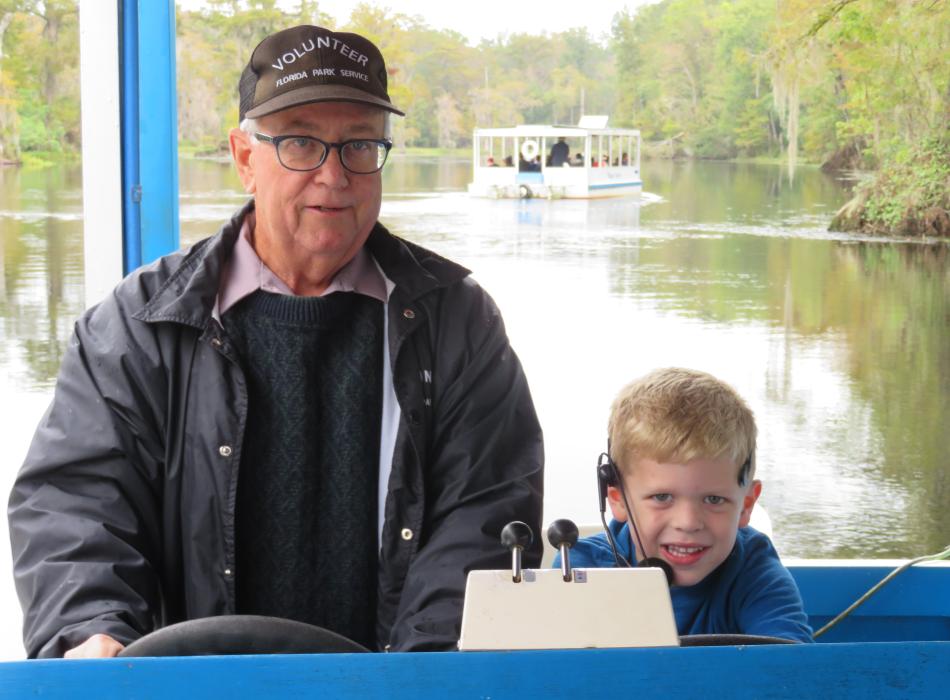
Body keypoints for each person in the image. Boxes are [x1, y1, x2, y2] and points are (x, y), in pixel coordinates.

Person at [8, 25, 543, 659]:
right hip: (183, 688)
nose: (333, 176)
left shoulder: (456, 320)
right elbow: (74, 502)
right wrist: (90, 627)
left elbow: (483, 515)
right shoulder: (137, 326)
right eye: (299, 143)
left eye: (359, 146)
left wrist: (419, 673)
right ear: (243, 158)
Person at [556, 368, 812, 642]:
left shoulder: (754, 571)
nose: (688, 522)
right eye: (662, 497)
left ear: (747, 504)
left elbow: (794, 669)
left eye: (714, 499)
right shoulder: (580, 570)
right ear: (618, 499)